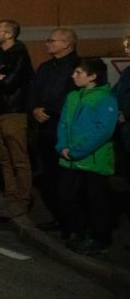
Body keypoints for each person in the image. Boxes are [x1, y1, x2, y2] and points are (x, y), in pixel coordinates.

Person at [55, 58, 119, 256]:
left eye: (79, 72)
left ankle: (101, 240)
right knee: (66, 196)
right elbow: (63, 122)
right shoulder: (73, 96)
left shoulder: (106, 98)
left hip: (93, 160)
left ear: (93, 76)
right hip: (70, 159)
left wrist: (76, 150)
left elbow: (103, 130)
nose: (73, 76)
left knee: (96, 201)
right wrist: (62, 146)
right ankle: (78, 232)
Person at [27, 28, 78, 229]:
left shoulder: (77, 67)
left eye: (52, 40)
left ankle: (71, 223)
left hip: (63, 128)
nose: (48, 43)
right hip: (44, 129)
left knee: (66, 180)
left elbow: (71, 97)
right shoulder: (46, 67)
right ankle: (59, 217)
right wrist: (34, 109)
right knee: (49, 176)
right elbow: (33, 90)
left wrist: (47, 110)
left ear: (67, 43)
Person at [0, 19, 33, 218]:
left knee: (19, 159)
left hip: (13, 111)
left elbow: (11, 83)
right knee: (4, 159)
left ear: (9, 34)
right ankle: (10, 197)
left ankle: (22, 200)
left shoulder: (20, 56)